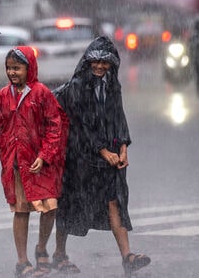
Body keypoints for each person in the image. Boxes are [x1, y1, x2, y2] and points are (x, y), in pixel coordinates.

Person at [52, 36, 150, 276]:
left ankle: (127, 256)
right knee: (70, 203)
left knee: (114, 201)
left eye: (104, 63)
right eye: (95, 61)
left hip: (108, 155)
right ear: (87, 61)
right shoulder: (77, 87)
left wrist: (123, 146)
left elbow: (118, 116)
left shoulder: (111, 84)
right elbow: (82, 124)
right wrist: (102, 150)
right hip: (80, 157)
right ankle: (59, 253)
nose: (99, 66)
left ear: (112, 65)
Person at [0, 46, 67, 278]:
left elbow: (55, 127)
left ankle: (41, 247)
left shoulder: (42, 93)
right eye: (9, 68)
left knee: (50, 207)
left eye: (17, 68)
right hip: (17, 165)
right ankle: (22, 262)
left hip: (42, 164)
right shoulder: (3, 97)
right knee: (21, 211)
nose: (12, 73)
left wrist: (44, 155)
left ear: (29, 68)